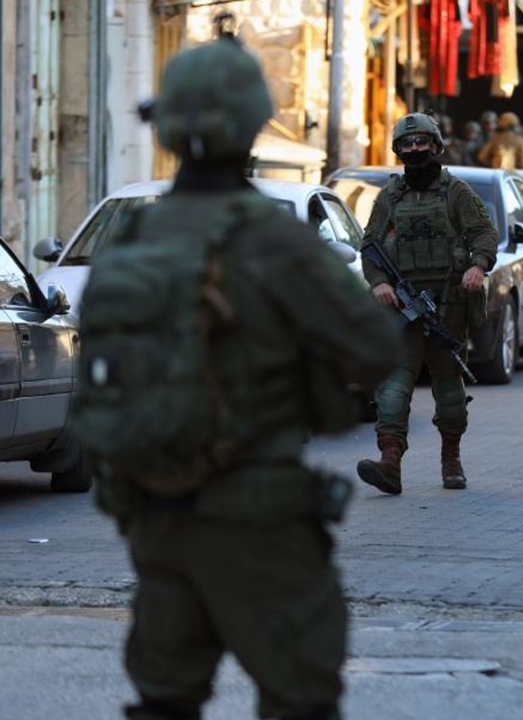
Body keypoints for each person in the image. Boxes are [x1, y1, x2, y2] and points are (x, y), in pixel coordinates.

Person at [75, 35, 399, 720]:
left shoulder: (131, 239)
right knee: (300, 698)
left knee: (165, 699)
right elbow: (373, 350)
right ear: (251, 124)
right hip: (257, 517)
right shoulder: (271, 237)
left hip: (153, 514)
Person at [358, 113, 499, 495]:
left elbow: (485, 234)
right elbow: (369, 246)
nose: (415, 149)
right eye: (408, 144)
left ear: (436, 146)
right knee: (392, 389)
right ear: (399, 150)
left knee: (450, 391)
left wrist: (478, 266)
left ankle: (451, 459)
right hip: (401, 312)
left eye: (422, 142)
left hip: (446, 308)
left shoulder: (456, 192)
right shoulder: (390, 197)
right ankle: (390, 464)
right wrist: (380, 282)